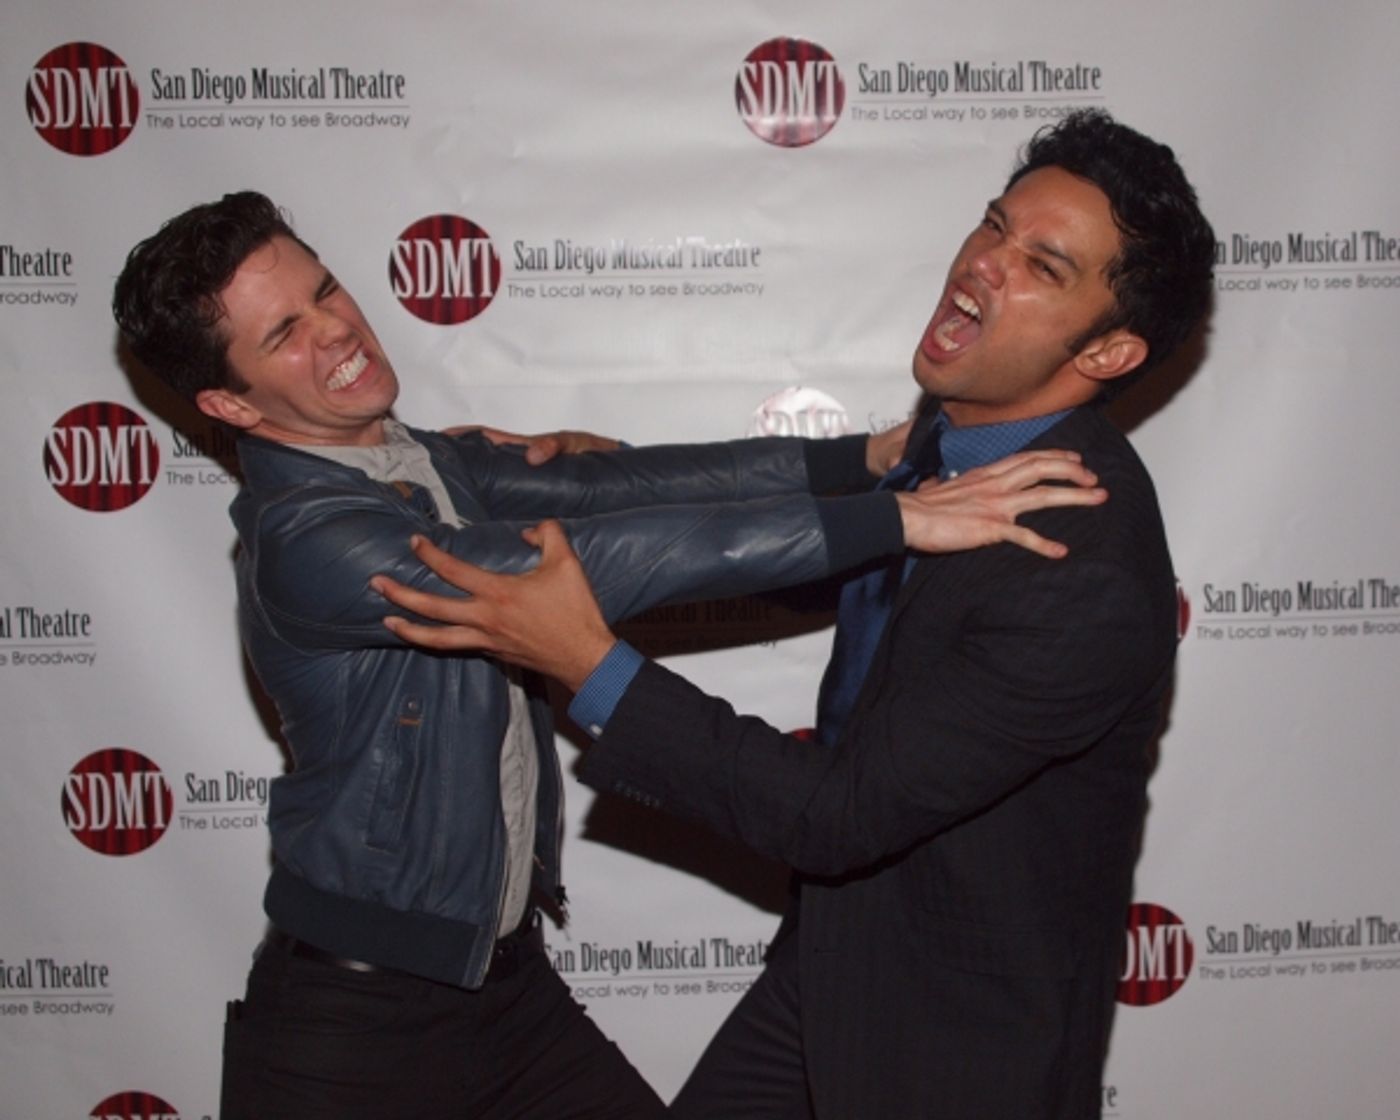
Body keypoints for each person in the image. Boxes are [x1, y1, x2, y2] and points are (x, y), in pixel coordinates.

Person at [110, 191, 1106, 1118]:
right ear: (233, 408)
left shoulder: (423, 460)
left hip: (502, 989)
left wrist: (857, 460)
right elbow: (587, 562)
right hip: (356, 1029)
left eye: (321, 288)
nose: (333, 326)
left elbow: (624, 490)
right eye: (283, 332)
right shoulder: (309, 536)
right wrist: (892, 521)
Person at [372, 109, 1217, 1119]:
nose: (983, 265)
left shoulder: (1076, 569)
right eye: (993, 225)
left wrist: (585, 660)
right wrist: (603, 479)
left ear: (1110, 352)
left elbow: (833, 811)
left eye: (1040, 265)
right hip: (831, 973)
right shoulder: (951, 445)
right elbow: (802, 527)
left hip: (953, 1050)